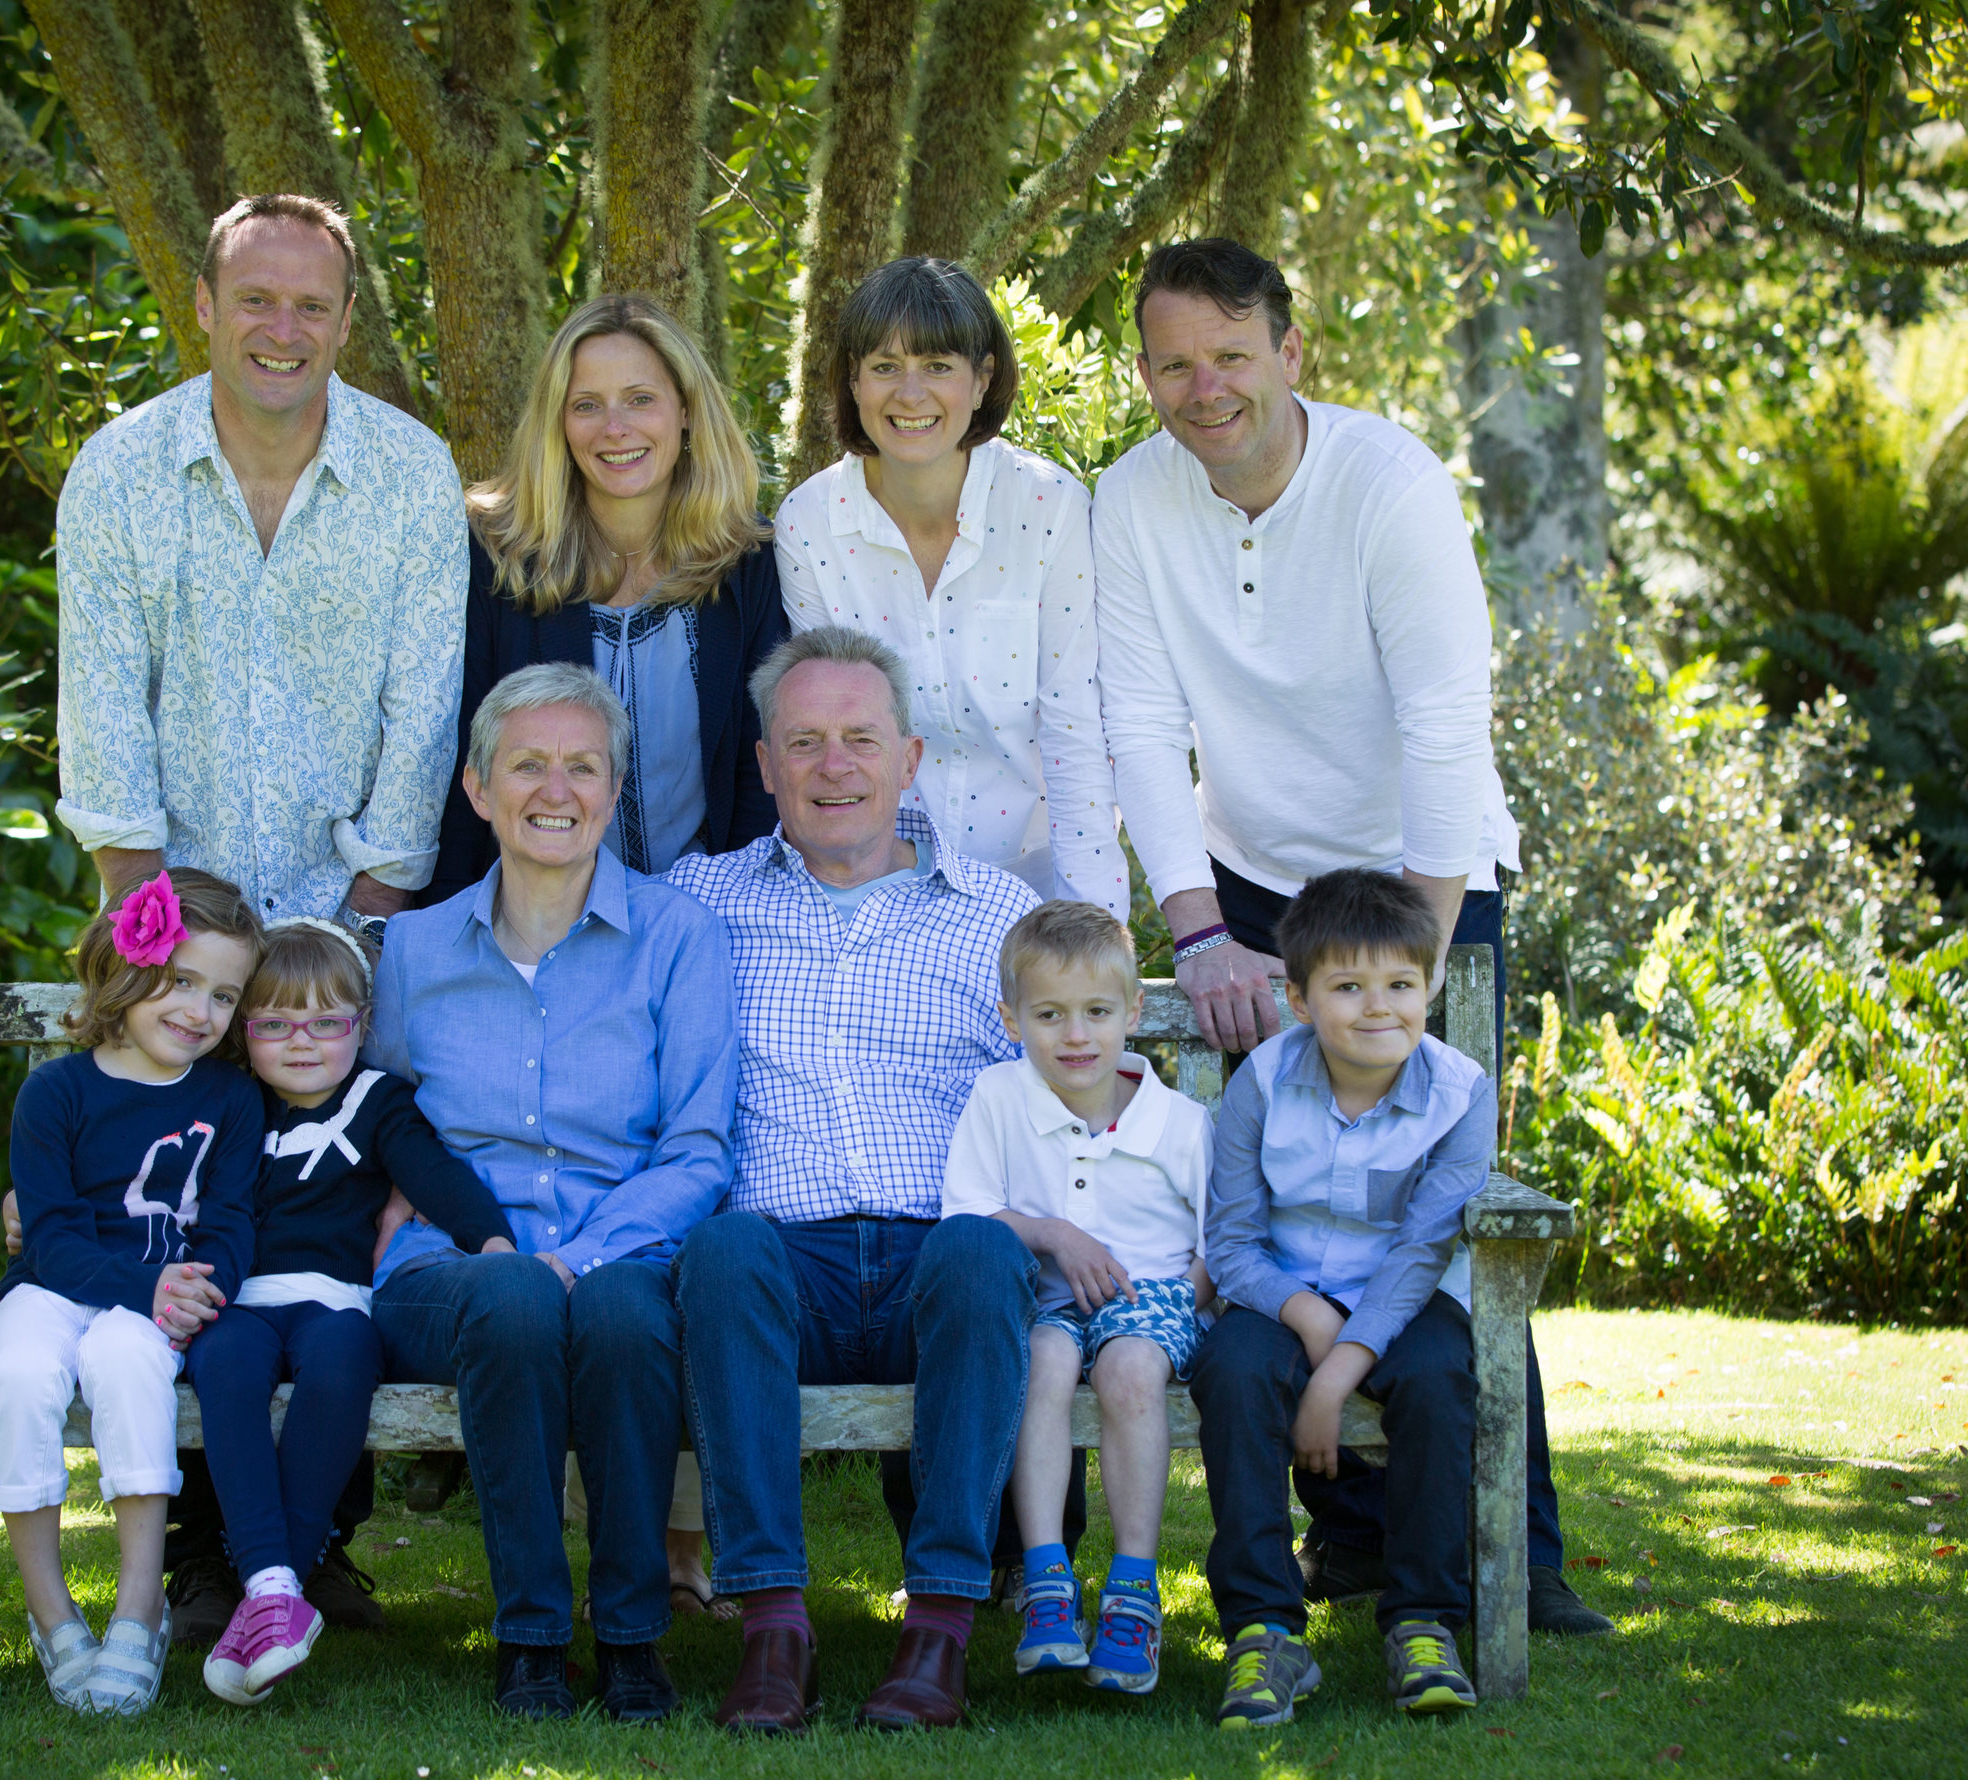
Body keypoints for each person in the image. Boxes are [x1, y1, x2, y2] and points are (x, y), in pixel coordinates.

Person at [1089, 236, 1606, 1637]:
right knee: (1304, 1191)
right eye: (1173, 363)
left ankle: (1520, 1552)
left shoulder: (1390, 480)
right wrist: (1195, 928)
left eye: (1230, 356)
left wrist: (1413, 968)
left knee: (1439, 1203)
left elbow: (1446, 723)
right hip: (1253, 876)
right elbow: (1140, 721)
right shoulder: (1128, 499)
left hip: (1420, 868)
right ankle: (1360, 1541)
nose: (1204, 389)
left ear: (1290, 349)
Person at [53, 191, 467, 1641]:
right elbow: (106, 726)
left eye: (313, 305)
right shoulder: (119, 472)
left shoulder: (412, 475)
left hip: (349, 927)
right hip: (179, 925)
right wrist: (168, 958)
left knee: (323, 1228)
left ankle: (311, 1538)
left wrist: (350, 930)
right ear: (208, 310)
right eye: (256, 301)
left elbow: (424, 717)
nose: (282, 329)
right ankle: (206, 1545)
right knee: (180, 1200)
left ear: (347, 319)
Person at [665, 626, 1042, 1733]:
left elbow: (1070, 1106)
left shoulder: (1002, 918)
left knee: (983, 1247)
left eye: (861, 739)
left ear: (910, 757)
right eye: (805, 741)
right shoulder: (697, 903)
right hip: (782, 1269)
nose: (836, 765)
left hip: (947, 1255)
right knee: (722, 1247)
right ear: (767, 764)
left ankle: (939, 1631)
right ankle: (773, 1629)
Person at [369, 662, 737, 1723]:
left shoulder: (677, 937)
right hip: (448, 1272)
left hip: (619, 1257)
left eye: (583, 766)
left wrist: (582, 1254)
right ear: (479, 788)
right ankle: (529, 1636)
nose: (556, 788)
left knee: (618, 1312)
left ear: (615, 791)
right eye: (527, 764)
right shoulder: (417, 946)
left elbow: (699, 1147)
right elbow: (380, 1115)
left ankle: (630, 1637)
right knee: (513, 1299)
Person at [1193, 868, 1496, 1727]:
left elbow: (1420, 1253)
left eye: (1401, 985)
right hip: (1281, 1292)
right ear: (1298, 998)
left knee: (1439, 1374)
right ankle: (1263, 1629)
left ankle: (1424, 1621)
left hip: (1407, 1297)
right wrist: (1306, 1317)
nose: (1378, 1007)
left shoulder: (1459, 1093)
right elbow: (1235, 1244)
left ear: (1428, 988)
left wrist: (1336, 1375)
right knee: (1236, 1368)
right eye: (1348, 987)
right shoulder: (1262, 1081)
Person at [0, 869, 265, 1717]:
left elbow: (232, 1220)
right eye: (181, 982)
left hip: (160, 1303)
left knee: (130, 1363)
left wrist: (207, 1289)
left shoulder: (232, 1099)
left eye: (224, 996)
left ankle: (138, 1610)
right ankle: (51, 1613)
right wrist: (146, 1284)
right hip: (57, 1287)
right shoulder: (55, 1092)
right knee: (14, 1374)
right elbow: (51, 1239)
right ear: (128, 968)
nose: (200, 1012)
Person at [187, 921, 515, 1707]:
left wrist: (494, 1244)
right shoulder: (233, 1102)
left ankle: (272, 1589)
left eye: (327, 1022)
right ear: (246, 1031)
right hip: (243, 1301)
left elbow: (435, 1176)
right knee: (223, 1366)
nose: (302, 1044)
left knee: (340, 1367)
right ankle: (274, 1584)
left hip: (340, 1301)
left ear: (362, 1025)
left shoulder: (378, 1102)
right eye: (274, 1024)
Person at [773, 257, 1121, 914]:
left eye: (937, 366)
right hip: (881, 883)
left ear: (983, 377)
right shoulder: (811, 522)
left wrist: (1092, 921)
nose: (910, 393)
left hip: (1037, 877)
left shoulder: (1051, 508)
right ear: (852, 380)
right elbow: (830, 735)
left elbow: (1075, 726)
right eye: (884, 367)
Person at [941, 901, 1213, 1697]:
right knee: (1045, 1358)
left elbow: (1218, 1247)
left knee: (1129, 1369)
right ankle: (1048, 1581)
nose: (1076, 1036)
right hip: (1045, 1300)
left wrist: (1181, 1307)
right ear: (1011, 1016)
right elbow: (970, 1216)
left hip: (1154, 1298)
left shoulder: (1182, 1124)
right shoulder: (998, 1098)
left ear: (1133, 1010)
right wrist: (1053, 1233)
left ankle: (1133, 1587)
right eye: (1050, 1015)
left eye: (1097, 1012)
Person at [434, 292, 787, 899]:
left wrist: (746, 916)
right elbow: (458, 760)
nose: (615, 429)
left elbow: (763, 774)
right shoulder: (497, 563)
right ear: (558, 422)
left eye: (640, 399)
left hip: (710, 915)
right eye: (587, 405)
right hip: (536, 917)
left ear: (685, 410)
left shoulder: (745, 563)